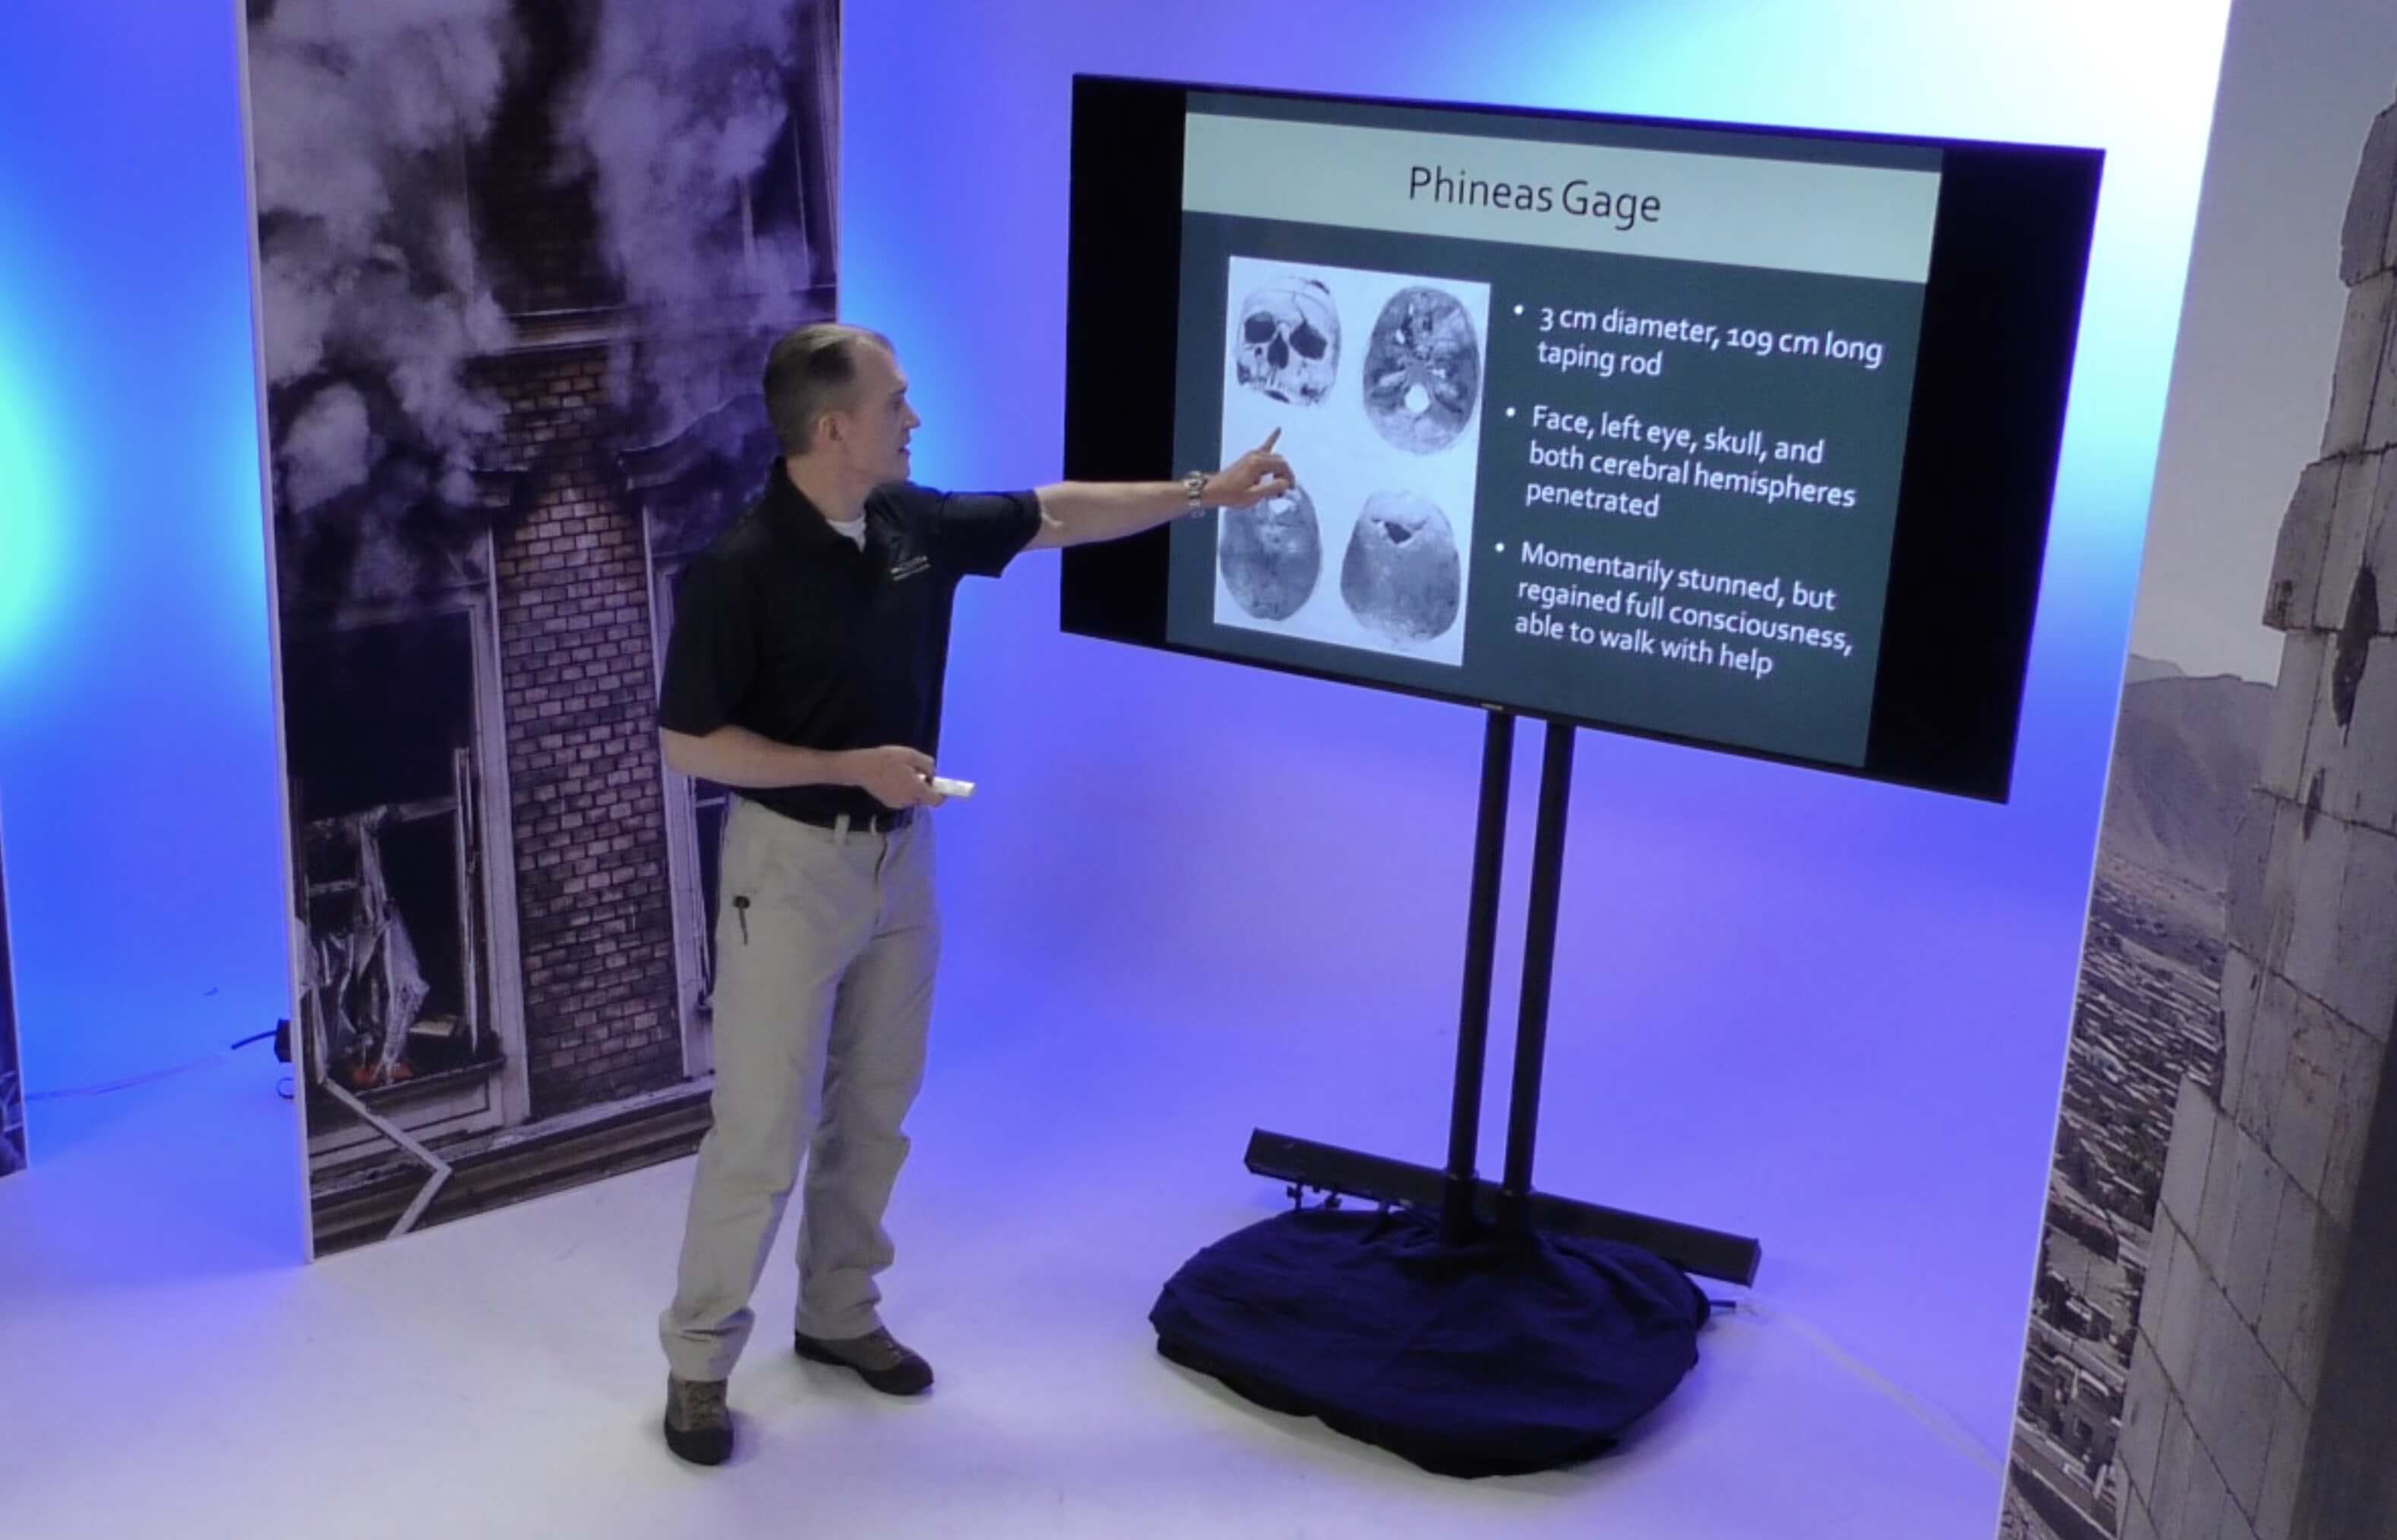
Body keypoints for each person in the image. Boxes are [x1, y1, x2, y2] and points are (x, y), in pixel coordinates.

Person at [652, 322, 1293, 1465]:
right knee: (759, 1131)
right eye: (894, 401)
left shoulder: (909, 522)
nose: (915, 417)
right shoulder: (738, 566)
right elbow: (690, 744)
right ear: (832, 427)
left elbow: (1056, 514)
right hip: (787, 876)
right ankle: (699, 1364)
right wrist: (847, 766)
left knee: (875, 1108)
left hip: (902, 865)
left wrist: (1208, 492)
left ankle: (837, 1314)